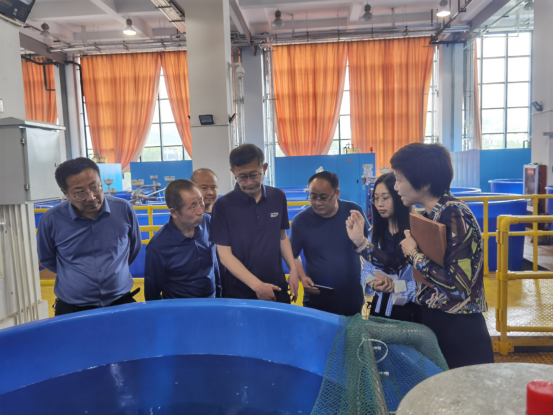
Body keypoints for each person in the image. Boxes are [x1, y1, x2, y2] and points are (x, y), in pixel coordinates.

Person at [392, 142, 493, 369]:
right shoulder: (431, 215)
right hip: (438, 323)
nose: (396, 187)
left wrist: (414, 255)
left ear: (425, 183)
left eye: (399, 179)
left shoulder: (454, 215)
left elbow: (458, 288)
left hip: (460, 330)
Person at [37, 157, 142, 316]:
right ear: (65, 193)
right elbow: (47, 259)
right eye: (80, 192)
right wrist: (75, 275)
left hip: (120, 302)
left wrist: (114, 271)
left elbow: (134, 247)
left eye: (95, 187)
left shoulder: (123, 210)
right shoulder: (51, 220)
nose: (91, 197)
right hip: (73, 309)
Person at [210, 144, 298, 303]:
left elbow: (282, 237)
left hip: (276, 287)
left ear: (264, 168)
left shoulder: (278, 197)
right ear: (233, 172)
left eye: (254, 175)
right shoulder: (223, 206)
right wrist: (258, 286)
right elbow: (225, 255)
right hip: (240, 292)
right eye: (242, 177)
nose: (249, 182)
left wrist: (293, 269)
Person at [290, 171, 369, 316]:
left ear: (337, 193)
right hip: (317, 296)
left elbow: (369, 245)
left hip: (351, 295)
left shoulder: (353, 212)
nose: (317, 202)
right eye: (313, 197)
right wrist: (302, 277)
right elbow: (293, 255)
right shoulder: (300, 221)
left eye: (323, 197)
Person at [348, 173, 420, 322]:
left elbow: (425, 286)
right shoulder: (374, 234)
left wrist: (396, 287)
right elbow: (366, 271)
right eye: (376, 198)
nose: (379, 204)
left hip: (409, 315)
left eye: (385, 198)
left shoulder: (416, 235)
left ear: (400, 197)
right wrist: (373, 282)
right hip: (378, 311)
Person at [144, 179, 220, 301]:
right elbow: (152, 295)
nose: (200, 211)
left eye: (201, 202)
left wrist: (220, 296)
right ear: (174, 212)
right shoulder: (157, 247)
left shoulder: (208, 222)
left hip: (213, 303)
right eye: (193, 206)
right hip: (180, 309)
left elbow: (215, 263)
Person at [191, 168, 225, 296]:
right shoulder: (186, 221)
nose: (210, 192)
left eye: (214, 188)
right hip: (199, 287)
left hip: (226, 280)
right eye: (204, 188)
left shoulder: (225, 215)